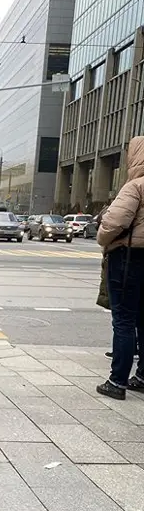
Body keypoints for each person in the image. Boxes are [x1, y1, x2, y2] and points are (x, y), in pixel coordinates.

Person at [96, 135, 144, 399]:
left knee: (124, 320)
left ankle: (118, 382)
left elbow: (114, 223)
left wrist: (103, 238)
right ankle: (142, 376)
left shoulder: (134, 186)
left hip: (128, 258)